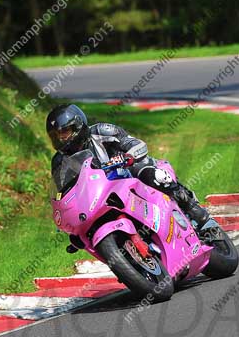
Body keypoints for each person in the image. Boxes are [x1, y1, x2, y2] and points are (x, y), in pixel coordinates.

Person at [46, 103, 210, 242]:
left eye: (64, 133)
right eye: (56, 136)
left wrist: (128, 156)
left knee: (151, 176)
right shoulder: (59, 161)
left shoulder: (102, 131)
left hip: (129, 171)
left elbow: (136, 144)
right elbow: (63, 191)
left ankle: (198, 215)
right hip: (102, 193)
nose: (61, 139)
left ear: (77, 126)